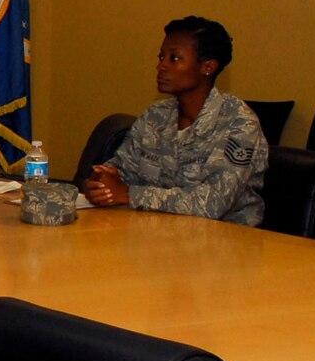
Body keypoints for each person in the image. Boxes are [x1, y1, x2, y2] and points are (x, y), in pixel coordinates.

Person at [82, 15, 268, 225]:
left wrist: (129, 194)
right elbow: (121, 171)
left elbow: (212, 204)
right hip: (158, 236)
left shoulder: (239, 123)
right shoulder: (155, 116)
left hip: (225, 244)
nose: (161, 66)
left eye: (175, 58)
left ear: (208, 67)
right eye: (161, 57)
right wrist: (101, 183)